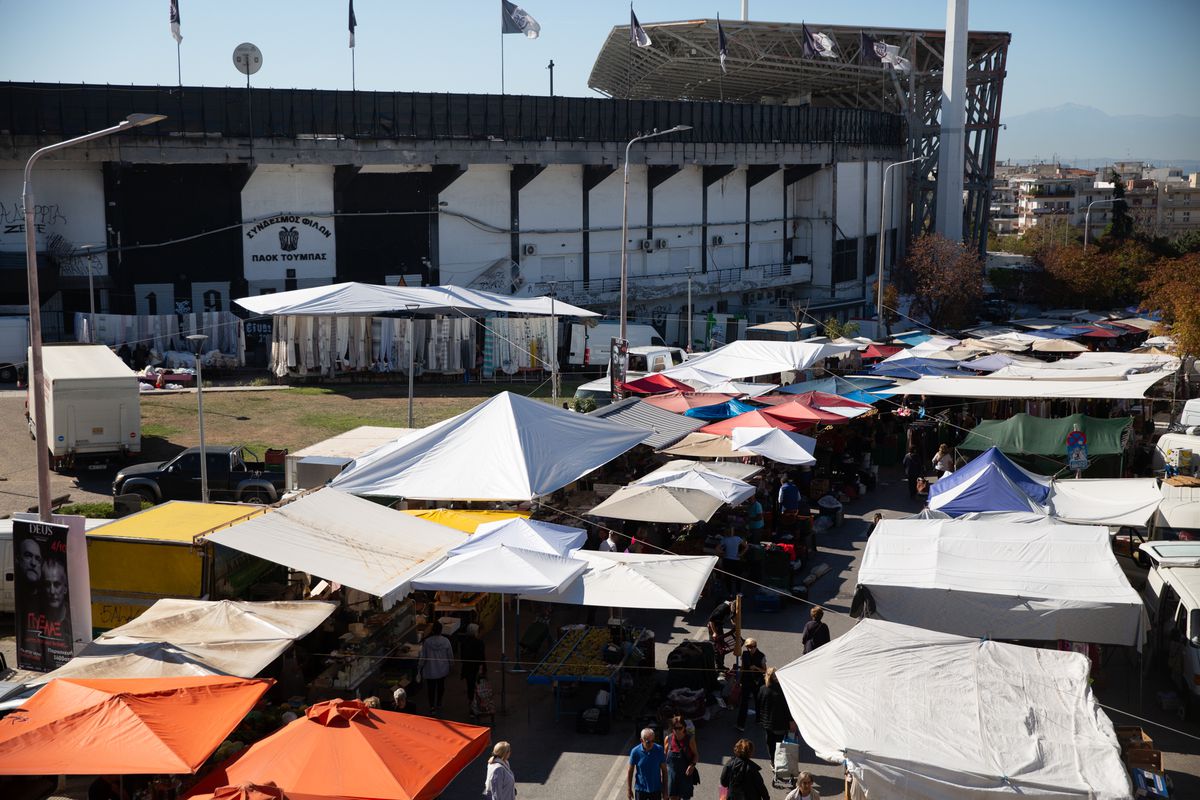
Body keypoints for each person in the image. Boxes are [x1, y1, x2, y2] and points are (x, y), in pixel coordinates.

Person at [756, 668, 794, 772]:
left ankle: (773, 762)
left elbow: (759, 704)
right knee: (780, 744)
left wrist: (760, 718)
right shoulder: (782, 690)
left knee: (770, 742)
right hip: (780, 723)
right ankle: (780, 764)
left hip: (767, 723)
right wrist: (791, 721)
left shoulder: (763, 689)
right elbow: (787, 708)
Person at [418, 621, 453, 713]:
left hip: (430, 670)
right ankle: (439, 702)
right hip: (442, 669)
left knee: (431, 689)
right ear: (441, 630)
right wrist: (451, 665)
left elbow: (423, 657)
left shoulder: (427, 642)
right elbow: (450, 655)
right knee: (441, 686)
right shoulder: (446, 641)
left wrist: (419, 668)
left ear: (433, 631)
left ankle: (432, 706)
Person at [627, 727, 668, 800]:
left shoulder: (659, 750)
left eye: (653, 741)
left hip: (656, 789)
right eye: (648, 742)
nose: (651, 744)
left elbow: (664, 771)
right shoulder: (635, 752)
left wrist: (665, 791)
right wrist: (629, 789)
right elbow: (630, 771)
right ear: (641, 740)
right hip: (641, 789)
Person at [665, 715, 699, 800]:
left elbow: (696, 755)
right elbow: (665, 757)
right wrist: (663, 773)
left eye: (679, 728)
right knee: (672, 798)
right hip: (672, 776)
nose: (677, 730)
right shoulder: (668, 739)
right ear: (672, 728)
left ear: (684, 727)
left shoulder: (690, 739)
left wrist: (692, 765)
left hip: (685, 775)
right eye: (675, 728)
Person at [735, 639, 766, 732]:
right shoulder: (745, 654)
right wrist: (738, 680)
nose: (749, 649)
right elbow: (743, 667)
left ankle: (759, 719)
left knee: (758, 700)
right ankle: (740, 724)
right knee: (744, 702)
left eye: (751, 647)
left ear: (755, 646)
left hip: (757, 681)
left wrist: (756, 668)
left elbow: (764, 670)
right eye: (747, 647)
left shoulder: (761, 656)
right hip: (746, 681)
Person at [460, 623, 486, 709]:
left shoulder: (464, 643)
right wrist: (484, 669)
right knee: (479, 687)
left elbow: (462, 658)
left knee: (470, 687)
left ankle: (471, 704)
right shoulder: (480, 643)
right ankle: (478, 705)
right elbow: (482, 658)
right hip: (477, 669)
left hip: (467, 669)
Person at [720, 526, 748, 597]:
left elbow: (717, 549)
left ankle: (730, 593)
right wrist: (741, 554)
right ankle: (738, 592)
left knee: (728, 578)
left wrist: (723, 553)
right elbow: (746, 546)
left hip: (727, 560)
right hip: (736, 560)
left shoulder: (724, 539)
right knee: (738, 577)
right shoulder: (737, 538)